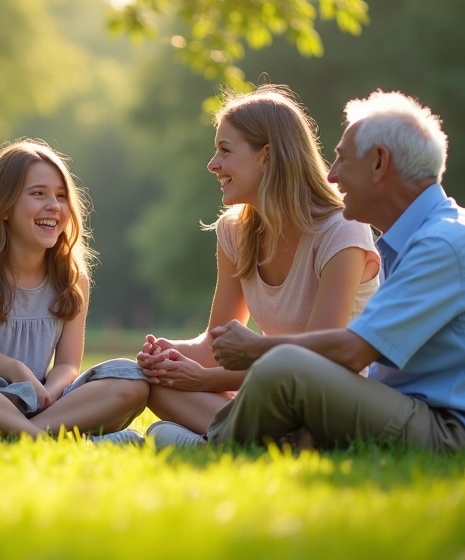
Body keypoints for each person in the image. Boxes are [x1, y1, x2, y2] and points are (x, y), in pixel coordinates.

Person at [182, 90, 465, 452]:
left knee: (283, 367)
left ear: (379, 163)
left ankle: (207, 447)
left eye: (341, 159)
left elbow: (353, 352)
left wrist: (257, 348)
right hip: (420, 413)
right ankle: (257, 443)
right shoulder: (420, 237)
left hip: (461, 436)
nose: (332, 176)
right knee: (291, 385)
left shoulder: (443, 242)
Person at [139, 85, 381, 444]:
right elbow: (216, 343)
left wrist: (204, 380)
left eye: (225, 150)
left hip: (333, 401)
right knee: (157, 385)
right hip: (272, 394)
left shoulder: (341, 230)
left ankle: (225, 442)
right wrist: (167, 357)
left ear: (265, 156)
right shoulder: (234, 232)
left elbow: (318, 362)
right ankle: (252, 443)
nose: (213, 164)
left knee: (171, 425)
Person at [0, 139, 149, 443]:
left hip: (41, 401)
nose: (54, 206)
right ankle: (51, 439)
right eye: (38, 194)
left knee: (132, 380)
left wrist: (48, 392)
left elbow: (69, 364)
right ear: (3, 207)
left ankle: (22, 434)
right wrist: (21, 375)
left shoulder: (73, 278)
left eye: (61, 196)